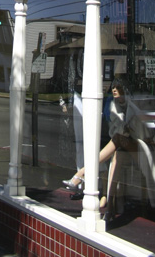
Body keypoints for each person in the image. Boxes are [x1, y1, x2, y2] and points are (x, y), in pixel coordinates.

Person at [63, 80, 149, 215]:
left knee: (117, 140)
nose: (114, 90)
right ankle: (109, 202)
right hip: (122, 145)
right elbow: (114, 126)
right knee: (116, 159)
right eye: (113, 88)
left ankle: (82, 173)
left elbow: (140, 130)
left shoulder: (132, 106)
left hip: (138, 145)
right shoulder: (114, 105)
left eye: (118, 88)